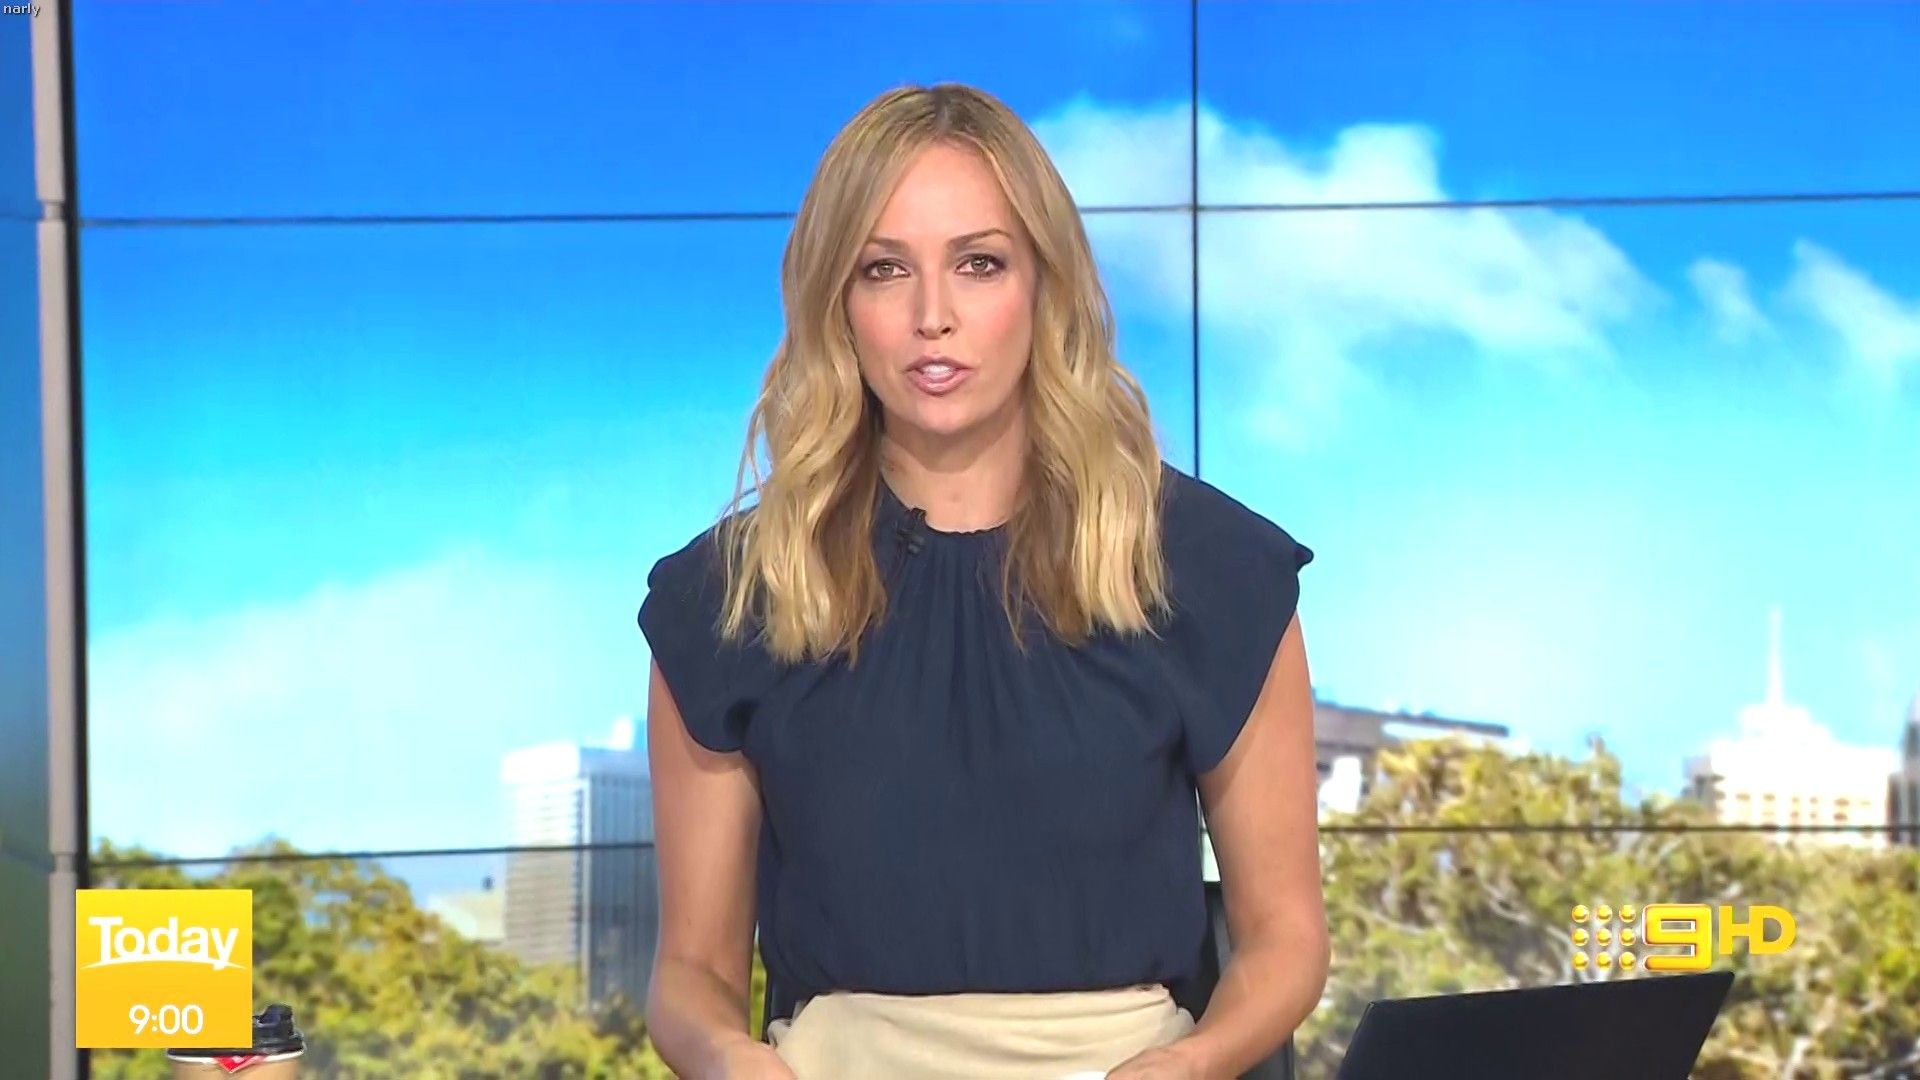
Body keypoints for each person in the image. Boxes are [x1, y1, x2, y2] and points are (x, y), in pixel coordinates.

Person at [639, 82, 1328, 1080]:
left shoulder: (1212, 572)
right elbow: (692, 973)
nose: (934, 317)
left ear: (1045, 284)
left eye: (979, 263)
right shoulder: (727, 601)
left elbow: (1286, 940)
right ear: (837, 303)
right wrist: (724, 1059)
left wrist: (1197, 1063)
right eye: (884, 269)